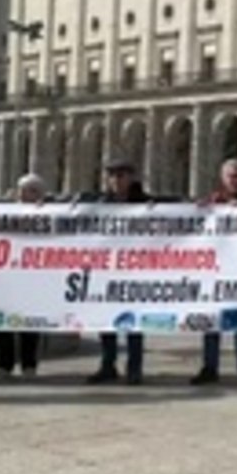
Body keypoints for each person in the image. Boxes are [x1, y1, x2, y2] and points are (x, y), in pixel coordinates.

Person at [192, 160, 237, 388]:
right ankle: (209, 367)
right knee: (211, 322)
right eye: (232, 176)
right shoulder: (213, 202)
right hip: (216, 272)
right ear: (223, 178)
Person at [88, 159, 152, 386]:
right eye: (112, 176)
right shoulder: (101, 202)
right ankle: (108, 365)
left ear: (131, 178)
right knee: (106, 323)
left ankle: (134, 368)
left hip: (135, 270)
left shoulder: (146, 203)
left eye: (121, 175)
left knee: (135, 324)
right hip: (107, 270)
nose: (117, 180)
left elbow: (178, 208)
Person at [0, 173, 47, 380]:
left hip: (33, 276)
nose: (26, 194)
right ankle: (3, 365)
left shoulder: (50, 214)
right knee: (2, 322)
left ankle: (29, 365)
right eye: (23, 190)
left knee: (30, 323)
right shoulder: (4, 213)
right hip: (7, 275)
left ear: (41, 194)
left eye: (32, 190)